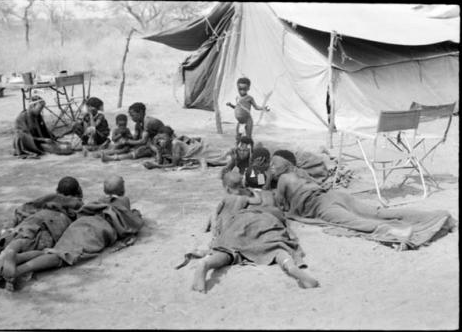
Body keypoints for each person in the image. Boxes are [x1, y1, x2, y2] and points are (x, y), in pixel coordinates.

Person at [270, 151, 456, 250]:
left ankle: (397, 232)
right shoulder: (300, 172)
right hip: (335, 194)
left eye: (273, 165)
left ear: (283, 166)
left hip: (320, 206)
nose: (271, 168)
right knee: (378, 212)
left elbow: (280, 205)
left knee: (355, 222)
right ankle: (435, 217)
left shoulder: (283, 179)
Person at [0, 175, 144, 291]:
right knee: (61, 256)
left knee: (54, 251)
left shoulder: (98, 201)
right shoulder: (123, 201)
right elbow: (131, 222)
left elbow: (82, 212)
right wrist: (137, 215)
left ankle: (14, 258)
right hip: (96, 230)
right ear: (122, 189)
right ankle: (19, 271)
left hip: (79, 225)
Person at [188, 171, 319, 293]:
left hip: (241, 223)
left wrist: (214, 234)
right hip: (267, 221)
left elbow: (217, 219)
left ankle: (207, 263)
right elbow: (281, 214)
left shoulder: (233, 198)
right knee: (277, 247)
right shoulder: (268, 195)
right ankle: (290, 266)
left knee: (227, 250)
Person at [0, 177, 84, 289]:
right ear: (78, 192)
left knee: (17, 240)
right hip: (50, 228)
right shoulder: (77, 206)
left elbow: (24, 209)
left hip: (31, 221)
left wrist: (8, 227)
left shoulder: (49, 200)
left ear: (57, 191)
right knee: (29, 248)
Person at [142, 126, 229, 170]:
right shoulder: (164, 146)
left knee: (222, 157)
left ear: (171, 138)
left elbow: (174, 164)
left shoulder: (175, 144)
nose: (161, 141)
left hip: (199, 152)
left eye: (163, 138)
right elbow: (160, 160)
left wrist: (155, 166)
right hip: (195, 152)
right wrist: (158, 150)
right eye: (159, 139)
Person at [226, 77, 269, 142]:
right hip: (240, 122)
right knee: (238, 137)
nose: (242, 91)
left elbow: (256, 107)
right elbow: (237, 108)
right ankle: (238, 149)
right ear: (237, 88)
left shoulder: (249, 98)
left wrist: (263, 108)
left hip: (248, 121)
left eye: (244, 89)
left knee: (248, 138)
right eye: (240, 89)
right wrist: (231, 105)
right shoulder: (237, 97)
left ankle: (250, 149)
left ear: (248, 88)